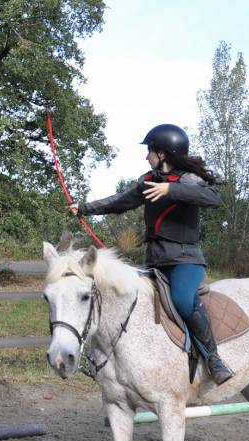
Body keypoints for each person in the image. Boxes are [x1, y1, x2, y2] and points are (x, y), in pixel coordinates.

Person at [69, 124, 233, 384]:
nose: (147, 156)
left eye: (150, 151)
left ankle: (214, 358)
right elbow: (120, 201)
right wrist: (85, 209)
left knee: (181, 300)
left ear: (164, 154)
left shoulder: (189, 180)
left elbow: (213, 198)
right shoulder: (148, 180)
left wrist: (171, 190)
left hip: (185, 261)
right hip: (154, 261)